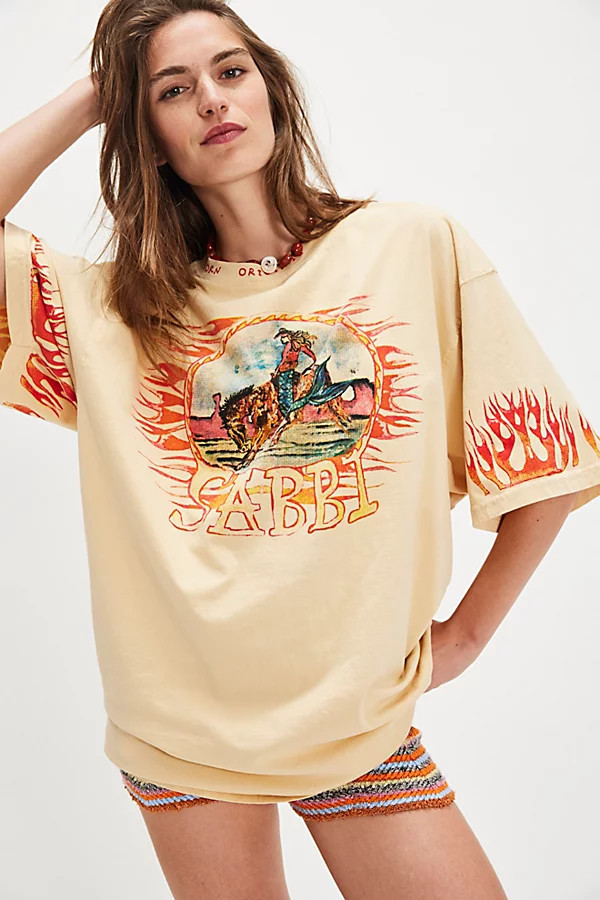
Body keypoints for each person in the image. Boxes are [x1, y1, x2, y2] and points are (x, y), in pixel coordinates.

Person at [1, 2, 599, 898]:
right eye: (173, 90)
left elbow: (544, 464)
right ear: (146, 133)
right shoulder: (115, 313)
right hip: (182, 729)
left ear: (272, 90)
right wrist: (97, 94)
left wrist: (469, 634)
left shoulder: (411, 245)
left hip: (359, 721)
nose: (212, 99)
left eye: (230, 71)